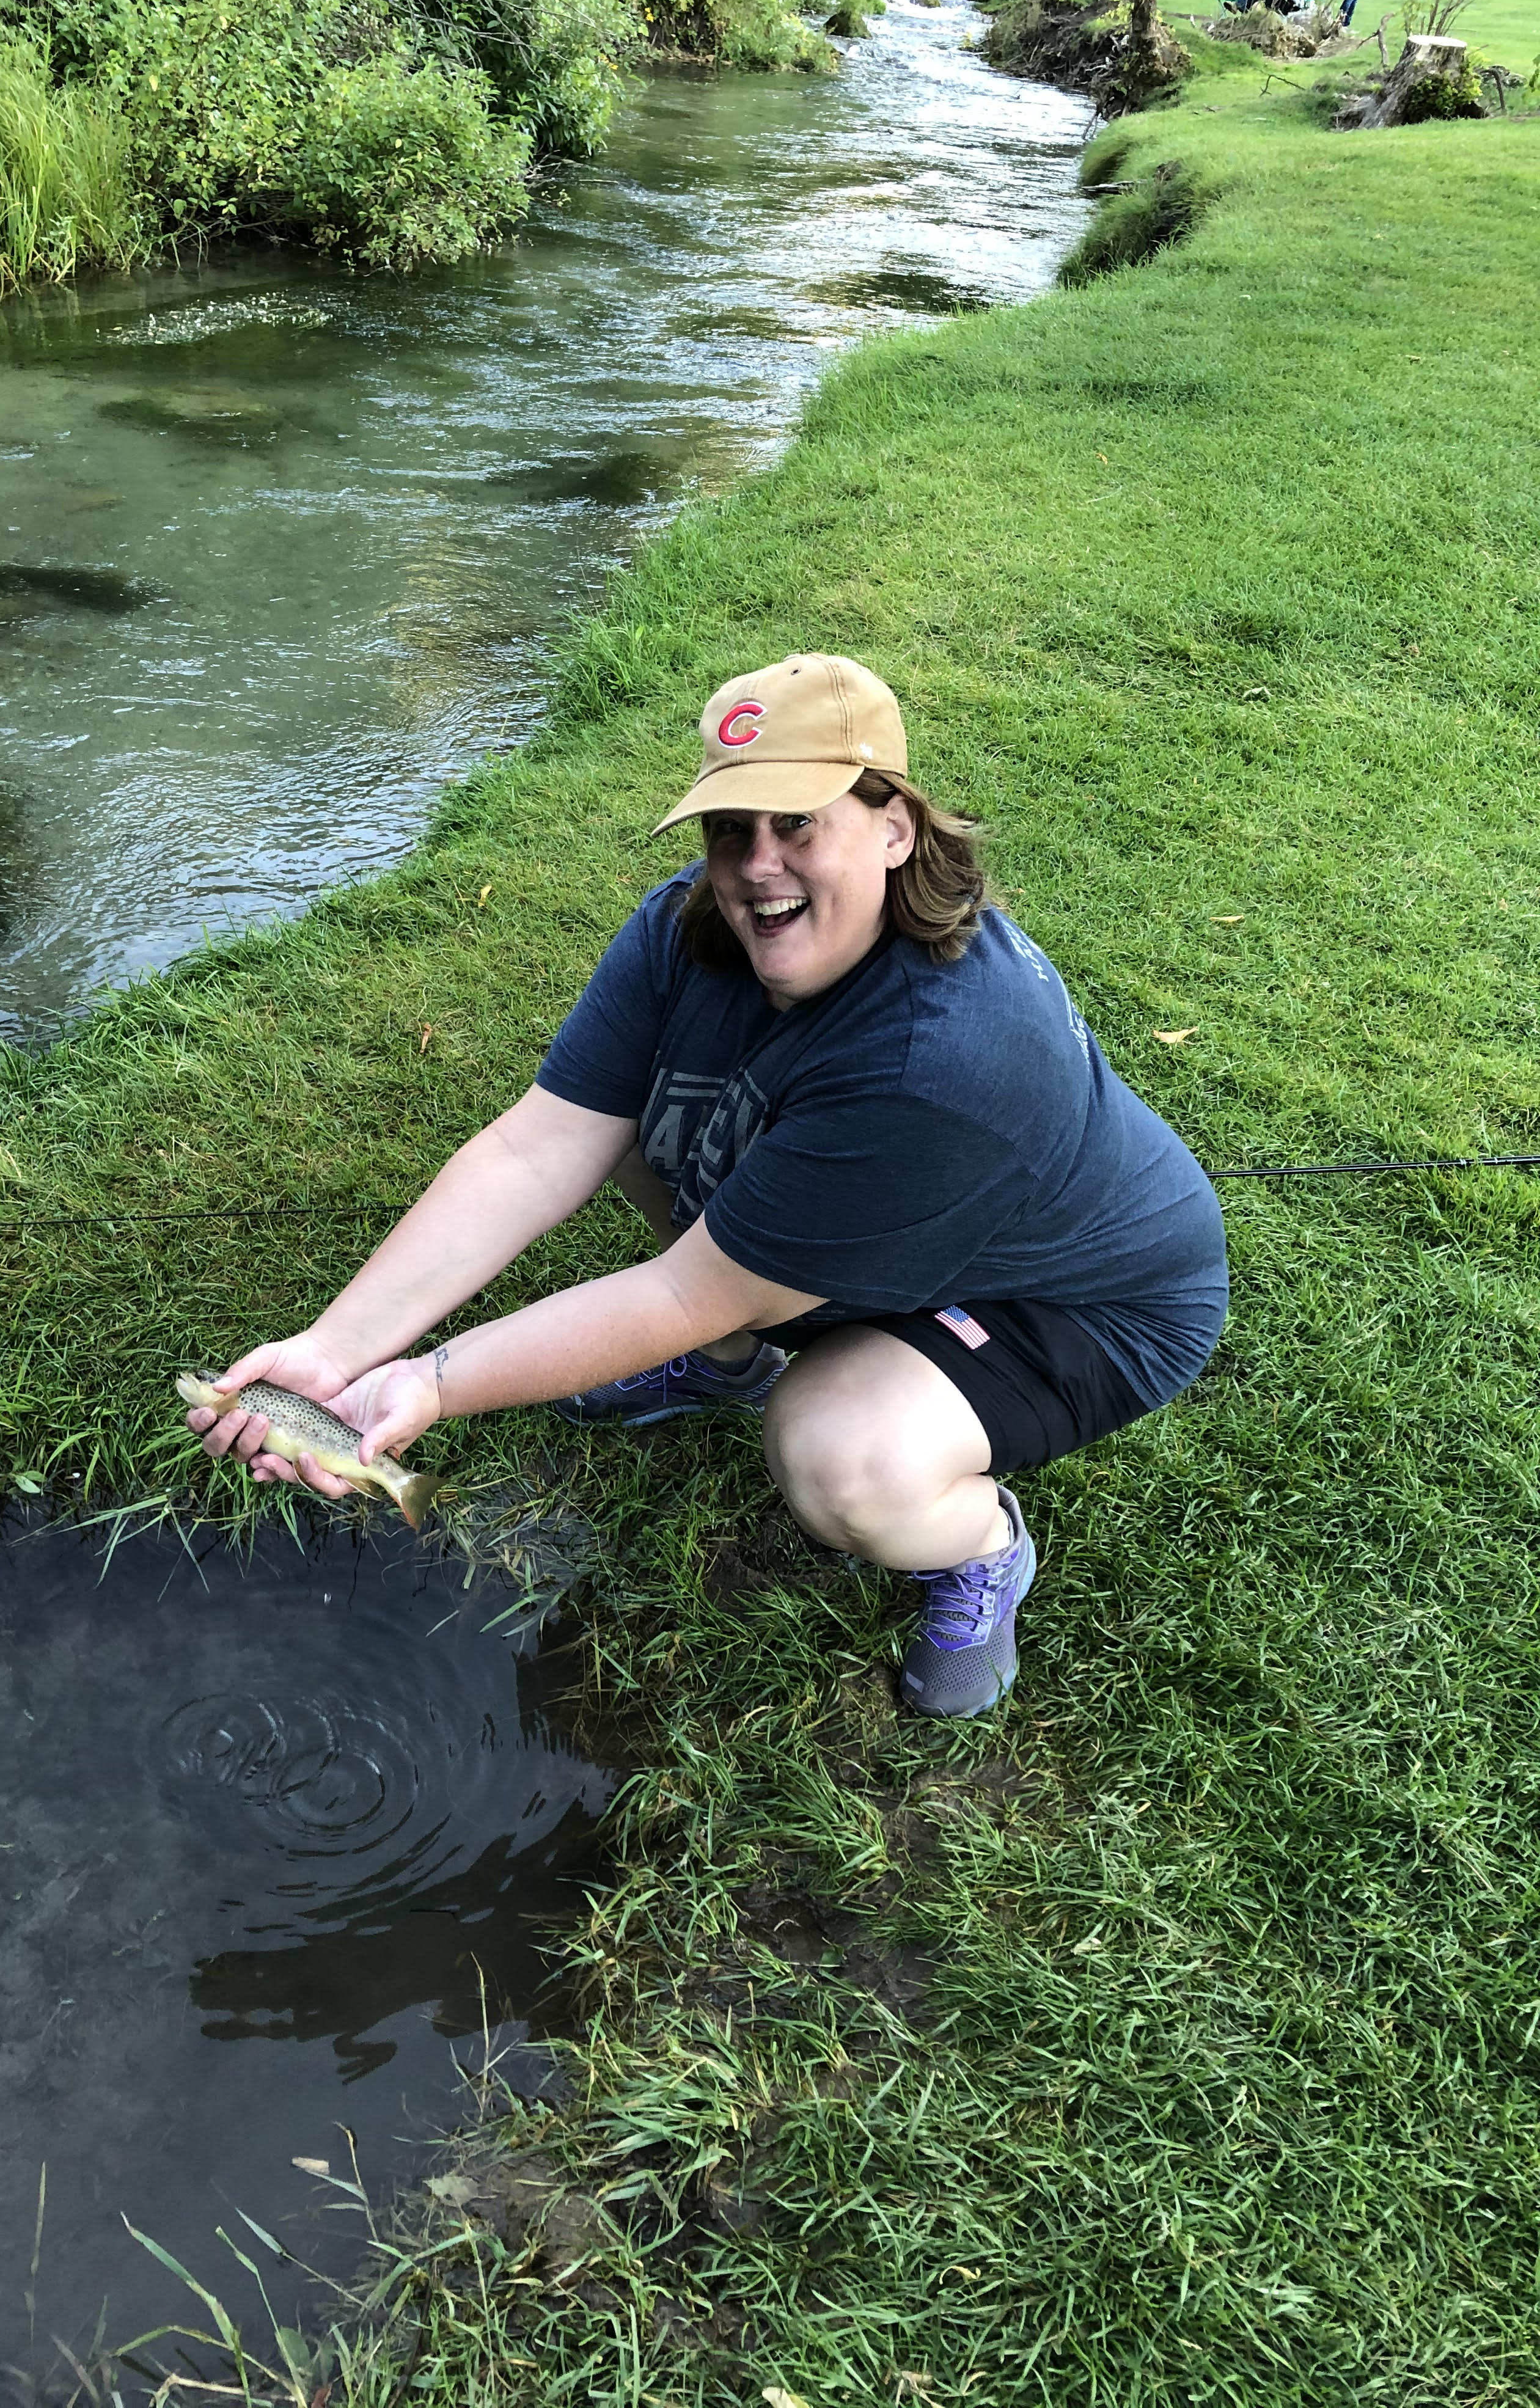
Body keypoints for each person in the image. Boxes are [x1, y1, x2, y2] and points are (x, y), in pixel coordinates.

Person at [188, 656, 1228, 1721]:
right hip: (885, 1230)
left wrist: (433, 1382)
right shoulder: (681, 932)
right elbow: (537, 1148)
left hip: (1075, 1308)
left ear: (893, 829)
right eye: (729, 827)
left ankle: (980, 1545)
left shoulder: (942, 1055)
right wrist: (333, 1349)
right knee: (643, 1112)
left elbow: (679, 1294)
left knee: (835, 1451)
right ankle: (727, 1369)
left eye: (795, 822)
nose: (754, 867)